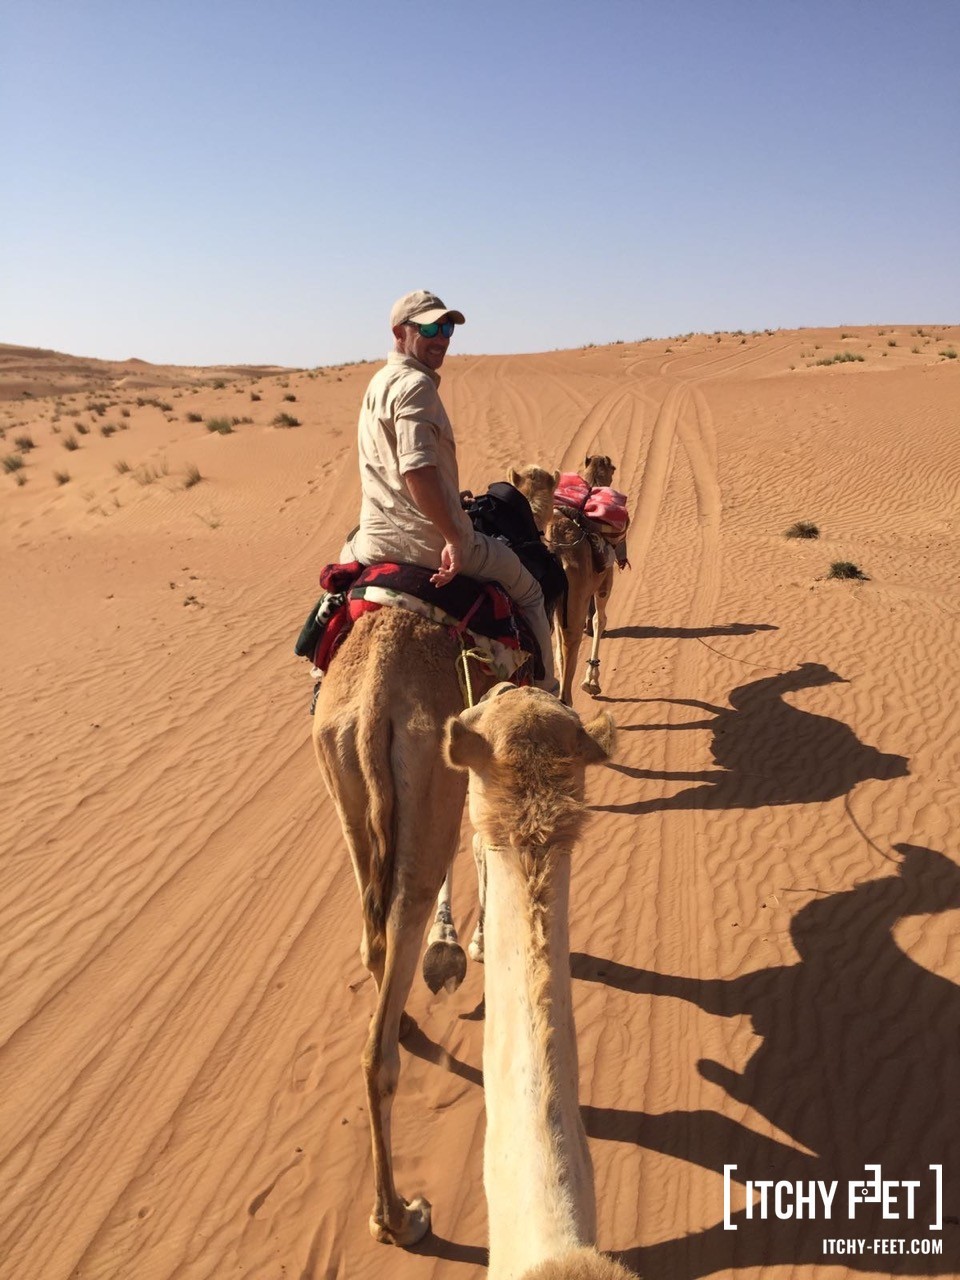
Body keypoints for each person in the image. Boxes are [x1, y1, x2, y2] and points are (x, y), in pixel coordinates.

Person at [339, 289, 557, 692]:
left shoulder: (379, 382)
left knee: (337, 585)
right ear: (399, 332)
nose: (442, 337)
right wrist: (455, 536)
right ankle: (548, 692)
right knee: (530, 589)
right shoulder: (415, 386)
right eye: (430, 328)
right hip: (425, 546)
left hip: (372, 543)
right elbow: (417, 471)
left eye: (447, 327)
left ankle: (322, 678)